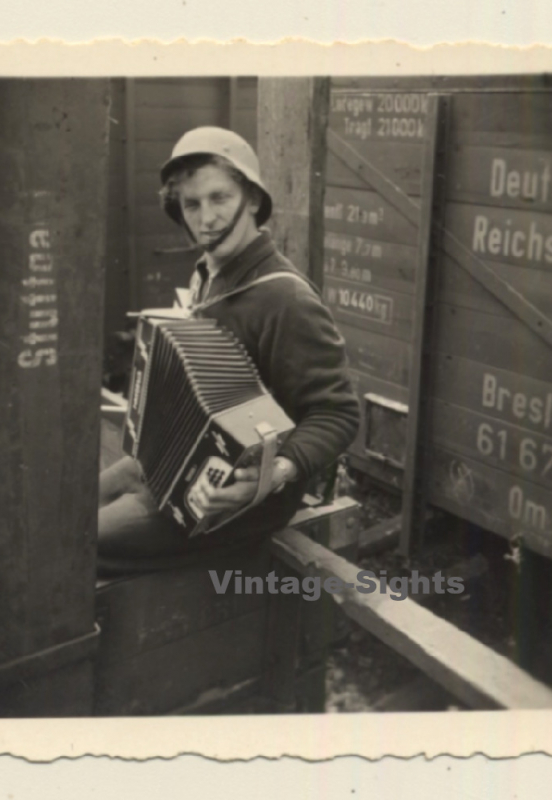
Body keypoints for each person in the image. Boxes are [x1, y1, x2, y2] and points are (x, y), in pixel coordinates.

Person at [97, 127, 360, 573]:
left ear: (253, 199)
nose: (207, 218)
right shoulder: (209, 274)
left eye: (220, 198)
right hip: (173, 464)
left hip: (245, 496)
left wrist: (271, 475)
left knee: (76, 546)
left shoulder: (284, 298)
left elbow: (339, 415)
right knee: (60, 518)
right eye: (192, 204)